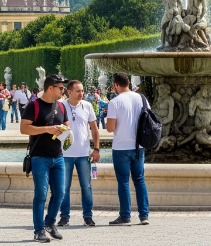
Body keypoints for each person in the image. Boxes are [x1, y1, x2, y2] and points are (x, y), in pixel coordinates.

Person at [20, 74, 69, 243]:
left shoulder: (62, 107)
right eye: (61, 88)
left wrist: (66, 132)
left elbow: (67, 127)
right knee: (41, 194)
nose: (63, 91)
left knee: (60, 193)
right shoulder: (34, 106)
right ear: (50, 88)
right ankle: (38, 230)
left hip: (58, 157)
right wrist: (47, 129)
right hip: (40, 157)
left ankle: (50, 223)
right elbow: (24, 129)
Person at [106, 72, 150, 226]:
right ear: (129, 83)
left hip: (121, 147)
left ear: (116, 85)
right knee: (140, 180)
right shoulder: (142, 98)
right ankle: (144, 216)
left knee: (123, 182)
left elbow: (110, 128)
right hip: (139, 146)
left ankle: (125, 216)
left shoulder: (115, 102)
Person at [58, 80, 100, 227]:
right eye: (77, 91)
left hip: (84, 153)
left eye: (82, 90)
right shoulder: (60, 106)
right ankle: (64, 217)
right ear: (69, 92)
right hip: (64, 154)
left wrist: (96, 149)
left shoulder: (87, 106)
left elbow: (94, 129)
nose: (81, 93)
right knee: (64, 187)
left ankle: (88, 216)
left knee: (86, 186)